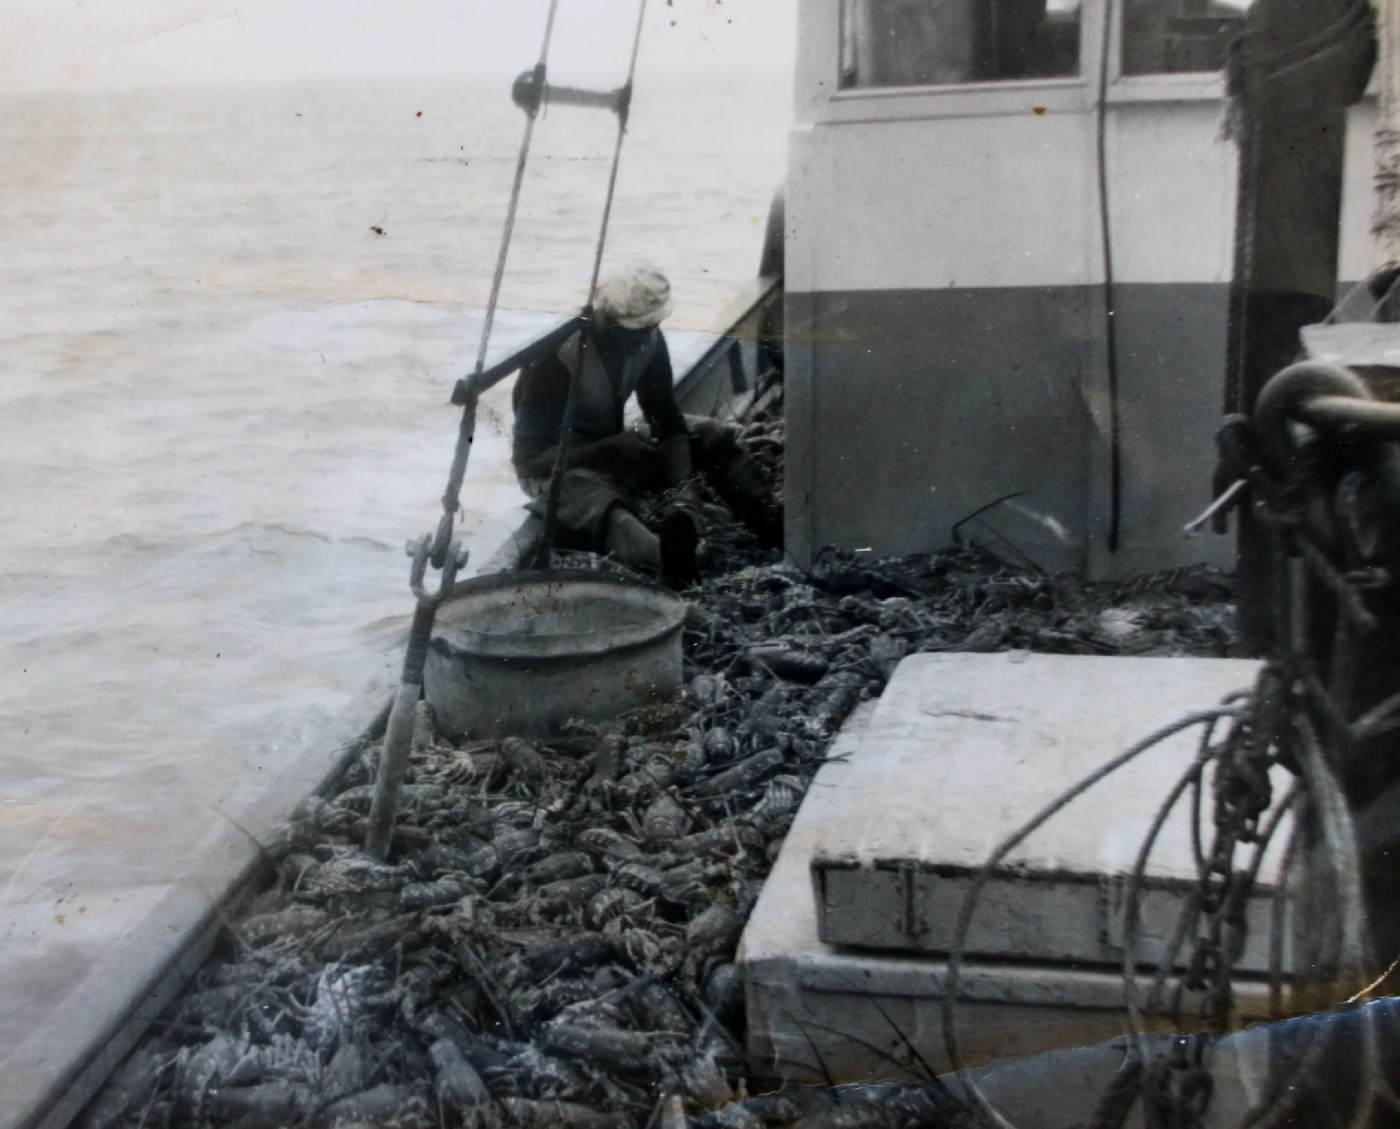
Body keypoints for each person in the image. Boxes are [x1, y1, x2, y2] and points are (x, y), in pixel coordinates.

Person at [511, 264, 782, 581]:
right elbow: (529, 460)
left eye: (649, 328)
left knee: (708, 434)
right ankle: (665, 560)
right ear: (605, 320)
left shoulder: (648, 340)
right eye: (632, 334)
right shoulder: (556, 359)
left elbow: (668, 425)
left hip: (611, 448)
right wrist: (609, 450)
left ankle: (773, 524)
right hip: (559, 470)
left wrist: (684, 497)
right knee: (593, 496)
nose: (641, 342)